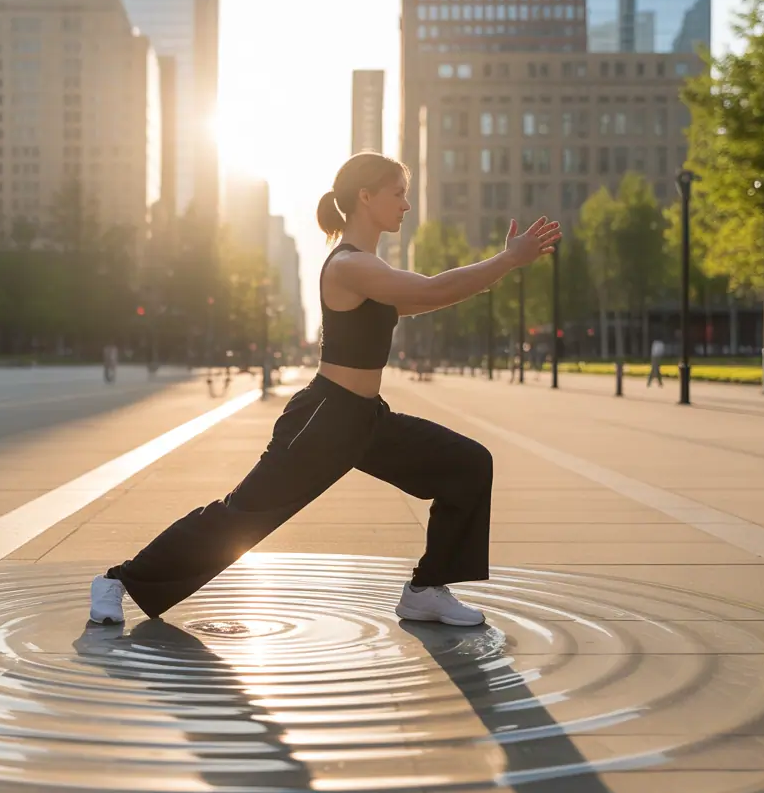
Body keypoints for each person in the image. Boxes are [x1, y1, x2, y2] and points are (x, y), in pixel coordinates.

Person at [89, 152, 561, 628]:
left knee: (467, 464)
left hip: (365, 419)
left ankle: (426, 590)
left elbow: (432, 294)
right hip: (324, 419)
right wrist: (507, 259)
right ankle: (119, 581)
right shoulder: (349, 265)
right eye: (398, 193)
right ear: (365, 196)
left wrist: (501, 267)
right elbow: (430, 290)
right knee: (243, 517)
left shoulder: (371, 267)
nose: (406, 204)